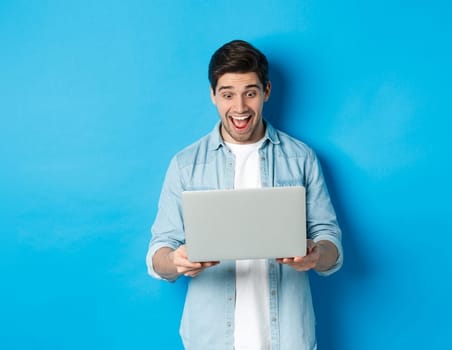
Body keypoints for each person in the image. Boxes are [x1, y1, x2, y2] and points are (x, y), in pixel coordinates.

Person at [146, 39, 343, 349]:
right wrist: (175, 259)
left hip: (288, 338)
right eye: (227, 95)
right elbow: (159, 254)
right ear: (213, 95)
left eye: (250, 93)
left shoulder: (301, 158)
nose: (239, 108)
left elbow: (330, 241)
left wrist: (317, 254)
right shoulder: (185, 165)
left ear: (266, 91)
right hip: (210, 339)